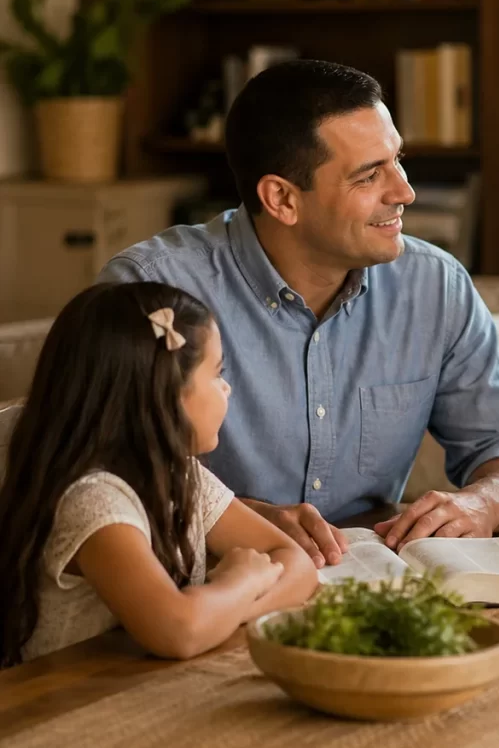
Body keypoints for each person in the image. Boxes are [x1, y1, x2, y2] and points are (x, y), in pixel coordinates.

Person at [98, 60, 499, 570]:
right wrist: (239, 519)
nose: (404, 191)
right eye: (369, 175)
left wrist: (484, 501)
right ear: (282, 199)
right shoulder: (152, 291)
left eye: (397, 160)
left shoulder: (434, 286)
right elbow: (103, 478)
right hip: (207, 589)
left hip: (375, 582)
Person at [0, 282, 318, 667]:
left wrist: (222, 611)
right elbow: (178, 631)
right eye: (217, 373)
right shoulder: (92, 502)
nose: (226, 388)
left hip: (139, 686)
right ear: (165, 394)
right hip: (65, 708)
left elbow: (296, 563)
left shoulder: (176, 471)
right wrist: (241, 583)